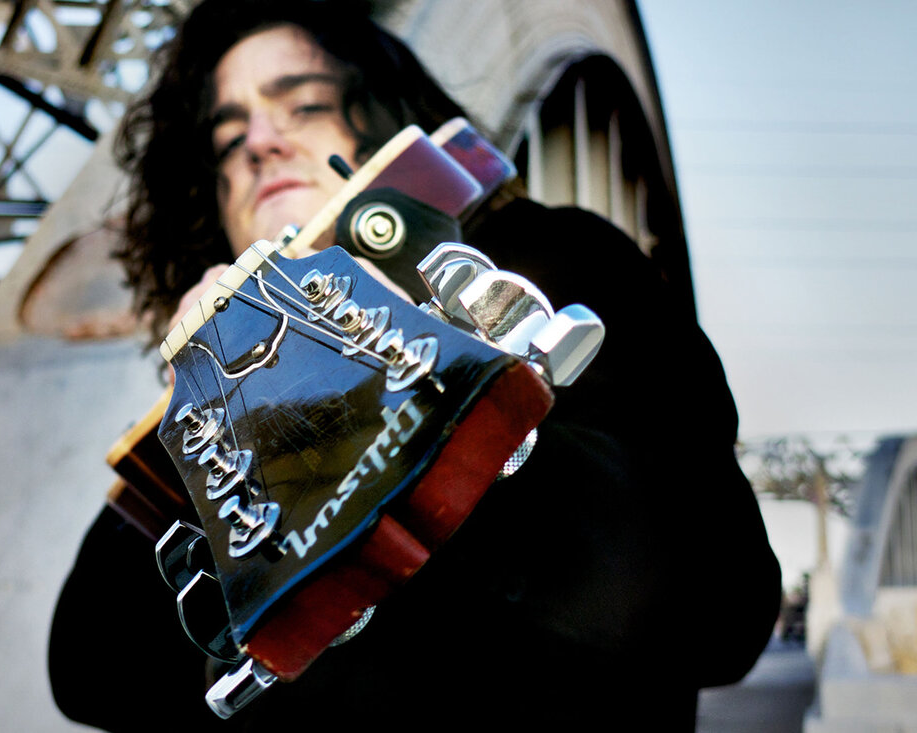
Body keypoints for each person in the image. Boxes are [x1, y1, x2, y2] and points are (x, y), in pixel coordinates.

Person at [47, 0, 782, 729]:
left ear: (383, 114)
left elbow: (719, 606)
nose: (259, 143)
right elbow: (92, 672)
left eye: (302, 106)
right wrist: (223, 411)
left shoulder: (554, 264)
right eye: (228, 139)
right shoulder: (213, 396)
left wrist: (386, 358)